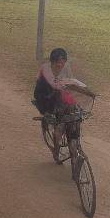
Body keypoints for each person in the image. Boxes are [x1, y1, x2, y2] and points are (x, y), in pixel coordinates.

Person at [34, 48, 94, 176]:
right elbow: (58, 85)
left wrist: (87, 92)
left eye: (63, 62)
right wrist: (69, 85)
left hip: (62, 100)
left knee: (74, 121)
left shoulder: (65, 68)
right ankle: (56, 151)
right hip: (47, 100)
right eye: (58, 63)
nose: (60, 65)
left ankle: (74, 158)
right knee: (59, 128)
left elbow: (70, 82)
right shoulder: (46, 69)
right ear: (52, 62)